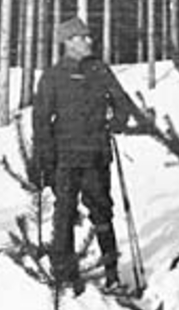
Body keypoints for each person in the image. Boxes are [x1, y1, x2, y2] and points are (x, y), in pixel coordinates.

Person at [32, 16, 139, 292]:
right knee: (64, 215)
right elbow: (41, 121)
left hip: (96, 157)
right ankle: (65, 277)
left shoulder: (100, 71)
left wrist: (114, 123)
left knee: (102, 214)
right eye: (82, 37)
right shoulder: (53, 76)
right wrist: (43, 162)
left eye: (89, 36)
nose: (90, 41)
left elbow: (123, 104)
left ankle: (112, 275)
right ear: (67, 42)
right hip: (64, 160)